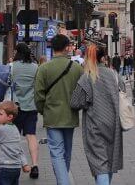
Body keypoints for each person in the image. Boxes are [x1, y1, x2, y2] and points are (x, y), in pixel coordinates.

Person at [70, 43, 124, 185]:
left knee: (100, 163)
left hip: (95, 125)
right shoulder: (114, 75)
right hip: (114, 124)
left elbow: (75, 102)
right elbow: (122, 91)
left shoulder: (88, 77)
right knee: (109, 160)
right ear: (103, 58)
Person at [34, 34, 83, 185]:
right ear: (67, 47)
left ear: (52, 47)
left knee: (56, 153)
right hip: (70, 115)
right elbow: (83, 92)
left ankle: (63, 181)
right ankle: (63, 180)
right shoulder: (77, 68)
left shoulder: (44, 68)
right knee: (66, 152)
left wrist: (43, 110)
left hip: (52, 116)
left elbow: (38, 95)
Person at [0, 100, 31, 185]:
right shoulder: (15, 129)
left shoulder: (0, 128)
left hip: (4, 168)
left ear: (10, 117)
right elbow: (19, 148)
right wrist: (25, 164)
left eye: (0, 114)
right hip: (16, 168)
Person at [11, 42, 40, 180]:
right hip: (31, 106)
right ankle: (35, 165)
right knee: (31, 135)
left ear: (17, 52)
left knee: (14, 137)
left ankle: (17, 163)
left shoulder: (12, 67)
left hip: (15, 107)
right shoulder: (35, 67)